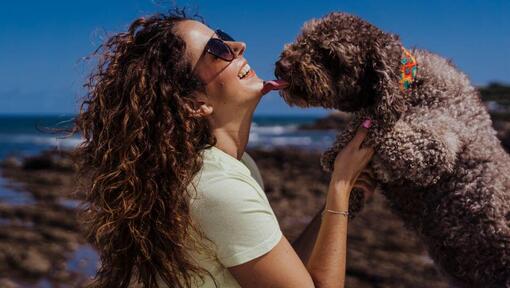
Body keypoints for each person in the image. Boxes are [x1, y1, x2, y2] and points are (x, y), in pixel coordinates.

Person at [73, 9, 376, 288]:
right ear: (195, 103)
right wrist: (340, 183)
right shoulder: (218, 187)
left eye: (225, 38)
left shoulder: (234, 164)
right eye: (216, 51)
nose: (239, 45)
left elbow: (285, 276)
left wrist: (339, 206)